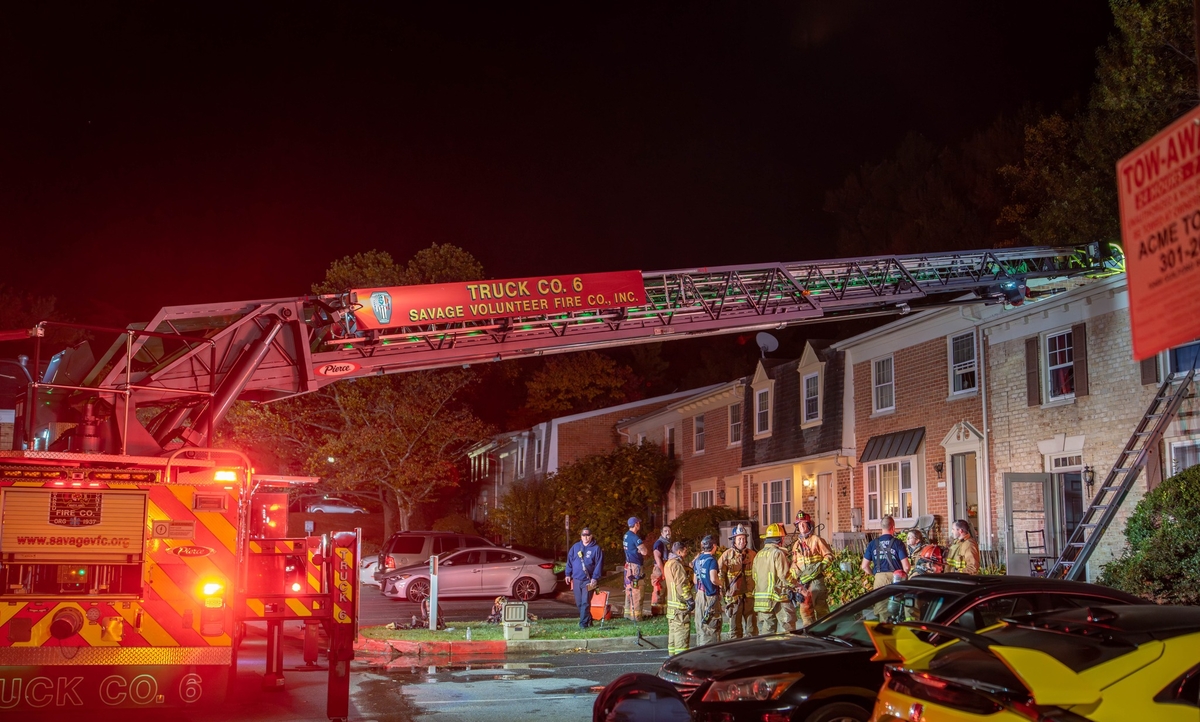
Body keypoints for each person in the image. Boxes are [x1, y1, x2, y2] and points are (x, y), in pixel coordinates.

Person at [788, 510, 834, 628]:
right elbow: (794, 563)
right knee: (806, 612)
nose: (801, 526)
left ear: (809, 525)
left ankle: (826, 633)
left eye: (804, 523)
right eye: (799, 524)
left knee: (821, 611)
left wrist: (817, 569)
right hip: (803, 584)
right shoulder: (796, 545)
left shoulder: (816, 540)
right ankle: (809, 635)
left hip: (816, 581)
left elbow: (829, 556)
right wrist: (795, 580)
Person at [860, 515, 911, 622]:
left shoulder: (872, 544)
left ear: (881, 527)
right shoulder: (898, 543)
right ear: (893, 527)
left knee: (882, 612)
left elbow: (864, 566)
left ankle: (884, 629)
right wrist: (903, 577)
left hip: (879, 579)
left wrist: (875, 575)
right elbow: (906, 566)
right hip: (896, 579)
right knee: (898, 610)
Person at [751, 523, 794, 634]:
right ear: (781, 539)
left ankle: (767, 646)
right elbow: (784, 576)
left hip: (762, 601)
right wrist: (797, 587)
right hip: (779, 598)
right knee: (788, 628)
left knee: (768, 630)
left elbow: (754, 576)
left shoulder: (758, 555)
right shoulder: (778, 553)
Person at [718, 524, 757, 639]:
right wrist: (721, 591)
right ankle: (736, 647)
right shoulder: (727, 555)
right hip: (734, 597)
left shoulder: (752, 555)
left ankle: (752, 648)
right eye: (739, 538)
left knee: (751, 628)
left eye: (744, 538)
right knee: (735, 628)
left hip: (749, 596)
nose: (742, 541)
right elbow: (720, 574)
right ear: (734, 540)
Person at [564, 526, 604, 629]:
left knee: (585, 602)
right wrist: (568, 574)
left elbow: (599, 564)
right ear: (581, 536)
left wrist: (595, 578)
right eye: (583, 535)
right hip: (576, 579)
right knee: (579, 603)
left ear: (591, 536)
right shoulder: (575, 547)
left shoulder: (596, 549)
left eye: (587, 535)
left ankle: (583, 624)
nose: (585, 537)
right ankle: (589, 619)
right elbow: (569, 561)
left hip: (588, 581)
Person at [664, 541, 694, 655]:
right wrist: (689, 599)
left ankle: (672, 658)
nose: (686, 553)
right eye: (685, 551)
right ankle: (681, 660)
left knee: (673, 634)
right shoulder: (677, 565)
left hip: (672, 608)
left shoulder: (668, 564)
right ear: (679, 552)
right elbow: (682, 584)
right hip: (680, 607)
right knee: (681, 634)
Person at [691, 535, 721, 646]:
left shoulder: (697, 560)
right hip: (710, 598)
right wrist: (722, 583)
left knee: (701, 625)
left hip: (699, 595)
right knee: (711, 626)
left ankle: (701, 649)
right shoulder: (712, 561)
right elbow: (713, 579)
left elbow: (695, 580)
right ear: (714, 546)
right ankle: (711, 651)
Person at [623, 517, 649, 621]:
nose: (639, 525)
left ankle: (627, 613)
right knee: (637, 590)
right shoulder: (635, 537)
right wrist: (640, 550)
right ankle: (636, 616)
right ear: (636, 524)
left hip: (628, 566)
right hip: (636, 567)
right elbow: (645, 552)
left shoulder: (626, 535)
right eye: (638, 523)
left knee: (629, 589)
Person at [651, 525, 672, 612]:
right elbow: (657, 558)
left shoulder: (667, 543)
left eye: (669, 531)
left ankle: (662, 611)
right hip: (659, 569)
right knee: (658, 589)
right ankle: (656, 611)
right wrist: (663, 573)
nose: (668, 532)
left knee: (664, 590)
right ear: (661, 533)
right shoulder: (659, 543)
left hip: (665, 567)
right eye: (665, 531)